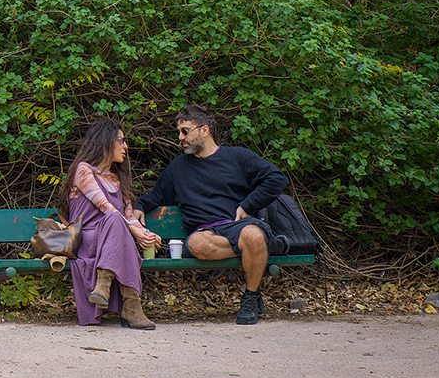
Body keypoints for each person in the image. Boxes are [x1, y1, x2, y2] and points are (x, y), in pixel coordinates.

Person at [129, 104, 289, 325]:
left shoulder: (238, 157)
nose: (180, 137)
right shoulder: (178, 167)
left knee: (252, 235)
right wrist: (138, 205)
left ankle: (250, 297)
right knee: (196, 245)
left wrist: (247, 205)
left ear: (204, 130)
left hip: (237, 226)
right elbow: (158, 195)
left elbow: (277, 179)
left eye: (185, 131)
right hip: (205, 232)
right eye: (178, 132)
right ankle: (259, 249)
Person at [61, 119, 163, 329]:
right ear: (104, 142)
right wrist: (133, 229)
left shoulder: (119, 178)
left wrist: (145, 233)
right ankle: (131, 307)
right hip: (87, 239)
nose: (126, 146)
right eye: (121, 141)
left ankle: (104, 285)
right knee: (114, 219)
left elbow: (129, 215)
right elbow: (105, 207)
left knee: (118, 224)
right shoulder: (83, 170)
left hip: (111, 241)